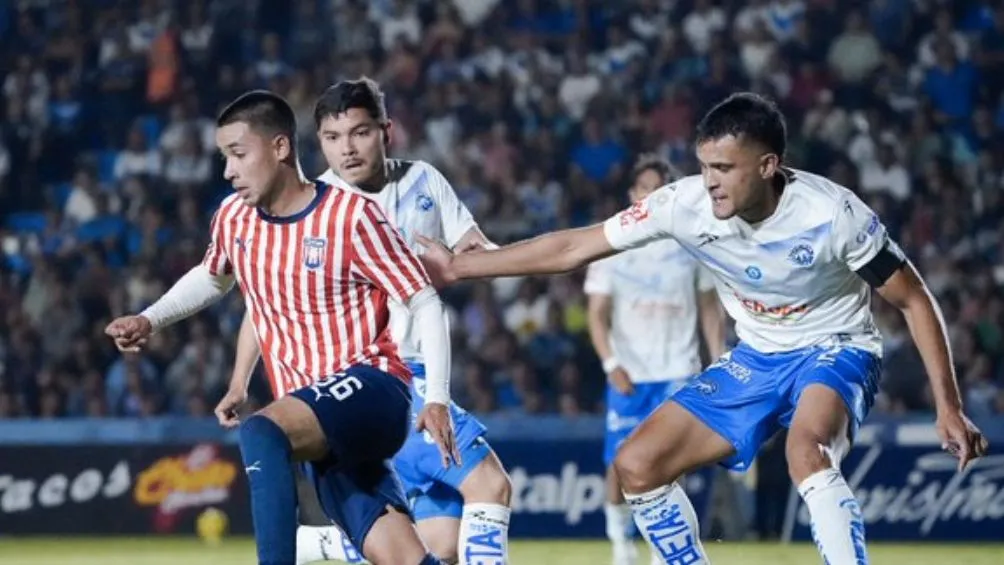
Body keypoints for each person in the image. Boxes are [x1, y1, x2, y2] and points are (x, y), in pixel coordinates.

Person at [417, 92, 988, 565]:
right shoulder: (681, 205)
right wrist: (462, 267)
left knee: (806, 449)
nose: (709, 181)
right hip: (756, 356)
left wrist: (948, 405)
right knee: (637, 465)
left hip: (836, 348)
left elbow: (913, 298)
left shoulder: (834, 215)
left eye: (724, 169)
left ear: (767, 166)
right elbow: (573, 247)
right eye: (704, 166)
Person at [105, 90, 457, 565]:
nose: (228, 171)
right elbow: (214, 278)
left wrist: (436, 398)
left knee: (261, 432)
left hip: (374, 389)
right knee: (401, 558)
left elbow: (424, 299)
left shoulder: (350, 216)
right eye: (224, 157)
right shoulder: (233, 218)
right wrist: (150, 318)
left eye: (238, 154)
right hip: (319, 420)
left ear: (280, 147)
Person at [279, 77, 511, 565]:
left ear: (387, 131)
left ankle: (318, 546)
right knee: (490, 485)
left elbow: (476, 251)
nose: (347, 149)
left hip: (423, 370)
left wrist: (472, 260)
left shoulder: (424, 179)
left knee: (442, 543)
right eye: (333, 137)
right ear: (319, 142)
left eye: (360, 133)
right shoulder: (316, 206)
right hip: (378, 377)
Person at [584, 154, 725, 565]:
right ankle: (621, 543)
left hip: (679, 369)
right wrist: (611, 364)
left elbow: (709, 308)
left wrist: (718, 360)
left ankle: (662, 550)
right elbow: (597, 315)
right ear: (633, 193)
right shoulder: (612, 243)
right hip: (630, 374)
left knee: (669, 465)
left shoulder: (690, 242)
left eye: (659, 189)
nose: (651, 195)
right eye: (644, 188)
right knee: (618, 464)